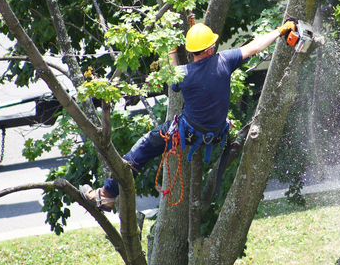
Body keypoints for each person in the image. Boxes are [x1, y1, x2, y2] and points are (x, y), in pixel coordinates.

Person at [80, 19, 297, 211]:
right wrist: (280, 30)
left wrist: (171, 52)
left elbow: (172, 77)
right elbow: (254, 47)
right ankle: (108, 194)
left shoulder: (184, 74)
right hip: (217, 134)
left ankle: (107, 194)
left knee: (143, 147)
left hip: (189, 133)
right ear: (211, 48)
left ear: (191, 51)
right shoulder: (225, 61)